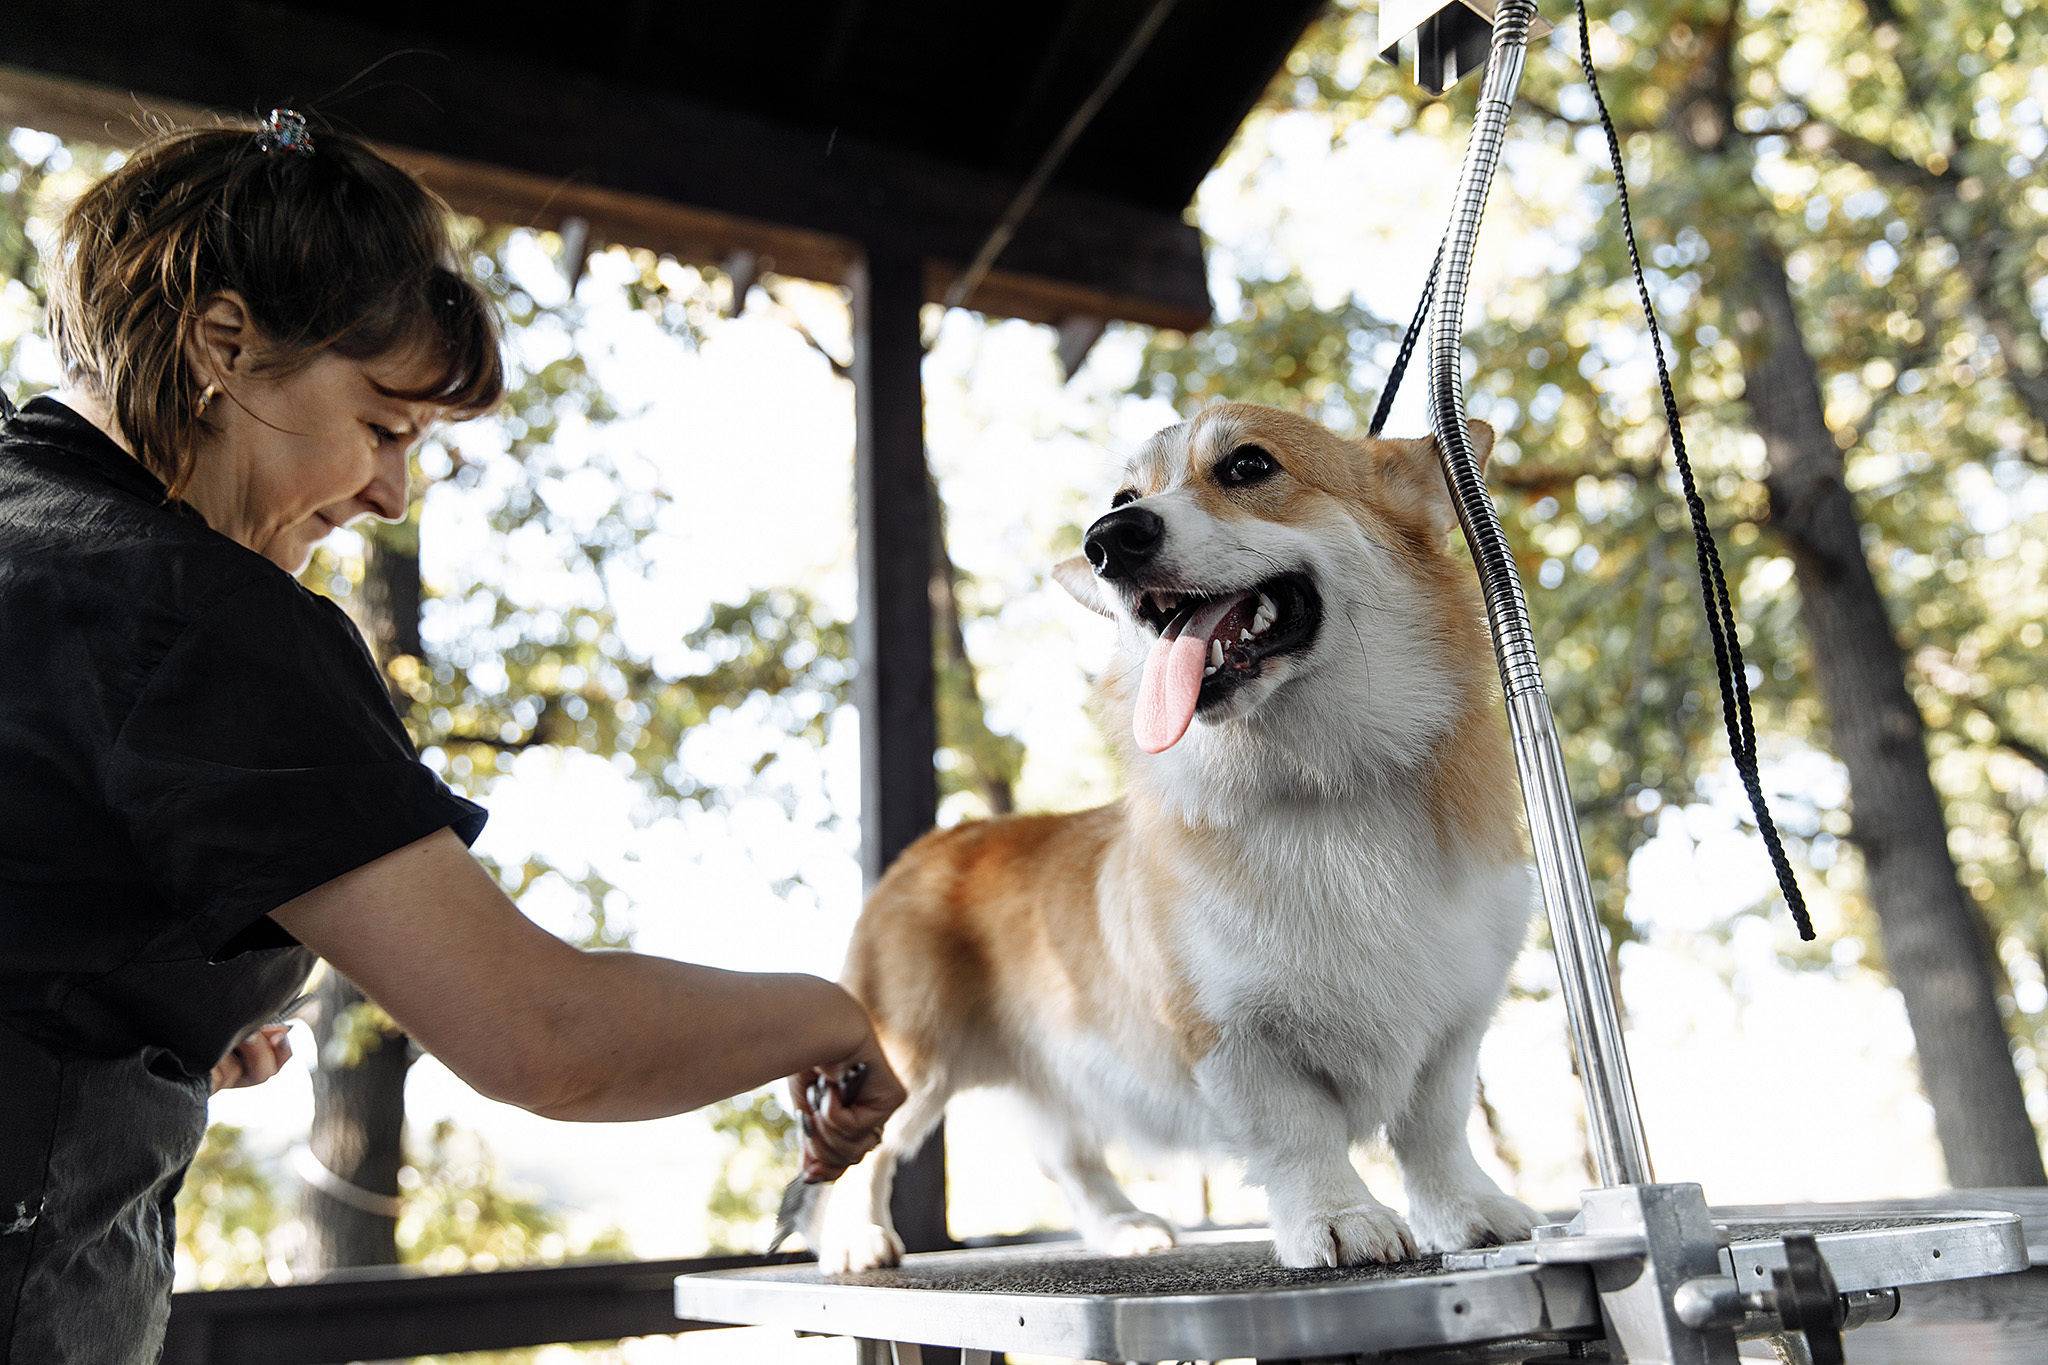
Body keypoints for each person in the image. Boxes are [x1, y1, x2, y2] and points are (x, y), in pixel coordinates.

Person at [0, 112, 904, 1363]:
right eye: (383, 425)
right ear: (224, 342)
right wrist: (834, 1015)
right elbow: (546, 1040)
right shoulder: (203, 616)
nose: (390, 494)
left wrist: (140, 1024)